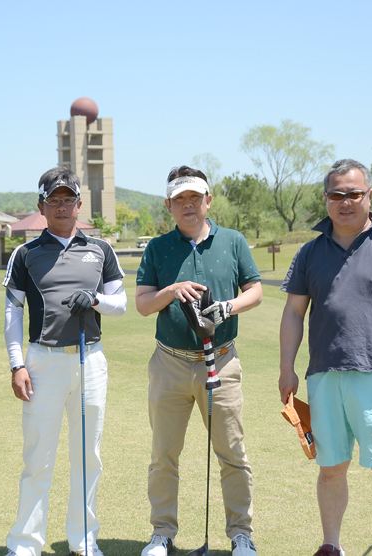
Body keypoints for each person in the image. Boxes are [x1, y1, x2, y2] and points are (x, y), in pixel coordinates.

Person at [278, 159, 372, 556]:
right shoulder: (309, 252)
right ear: (326, 199)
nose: (346, 202)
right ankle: (331, 545)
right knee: (330, 469)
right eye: (337, 194)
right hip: (324, 375)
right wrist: (286, 369)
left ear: (369, 196)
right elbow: (293, 313)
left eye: (354, 193)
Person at [135, 166, 263, 556]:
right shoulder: (158, 248)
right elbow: (143, 304)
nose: (188, 205)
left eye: (195, 197)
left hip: (221, 362)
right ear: (168, 206)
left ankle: (241, 535)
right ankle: (162, 533)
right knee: (164, 455)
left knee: (232, 453)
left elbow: (255, 291)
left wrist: (228, 307)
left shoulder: (233, 241)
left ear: (208, 200)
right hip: (170, 363)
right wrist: (172, 290)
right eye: (180, 200)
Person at [3, 167, 127, 556]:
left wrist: (95, 300)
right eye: (53, 200)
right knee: (38, 459)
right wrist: (17, 364)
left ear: (79, 204)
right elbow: (12, 313)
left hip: (90, 361)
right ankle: (25, 544)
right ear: (41, 206)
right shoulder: (25, 253)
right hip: (42, 362)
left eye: (68, 199)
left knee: (88, 458)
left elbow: (120, 304)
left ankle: (83, 541)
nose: (61, 206)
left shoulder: (101, 249)